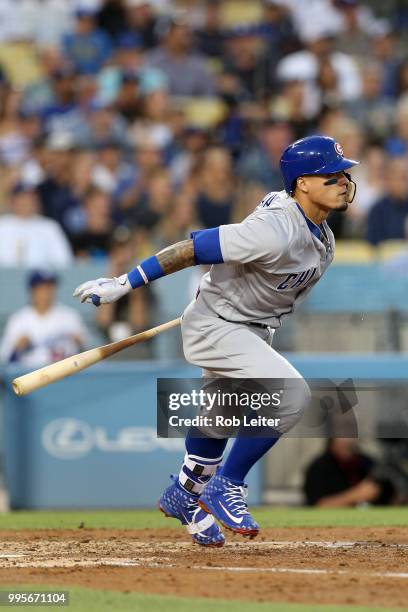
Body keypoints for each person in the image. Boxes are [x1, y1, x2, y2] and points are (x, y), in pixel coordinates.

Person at [73, 134, 359, 547]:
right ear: (303, 183)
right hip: (220, 325)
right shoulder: (274, 230)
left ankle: (184, 496)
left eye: (343, 174)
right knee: (291, 396)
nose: (342, 181)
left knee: (217, 420)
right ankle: (227, 485)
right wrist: (124, 283)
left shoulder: (322, 234)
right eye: (330, 175)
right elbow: (193, 248)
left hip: (248, 326)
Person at [0, 270, 88, 367]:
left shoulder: (70, 316)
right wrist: (16, 349)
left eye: (50, 287)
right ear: (32, 290)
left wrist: (80, 344)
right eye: (41, 287)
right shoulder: (18, 319)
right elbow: (5, 360)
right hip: (30, 375)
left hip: (65, 374)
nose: (47, 292)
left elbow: (87, 353)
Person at [304, 438, 394, 507]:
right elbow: (319, 505)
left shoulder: (367, 462)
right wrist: (356, 495)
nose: (348, 441)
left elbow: (388, 497)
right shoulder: (318, 467)